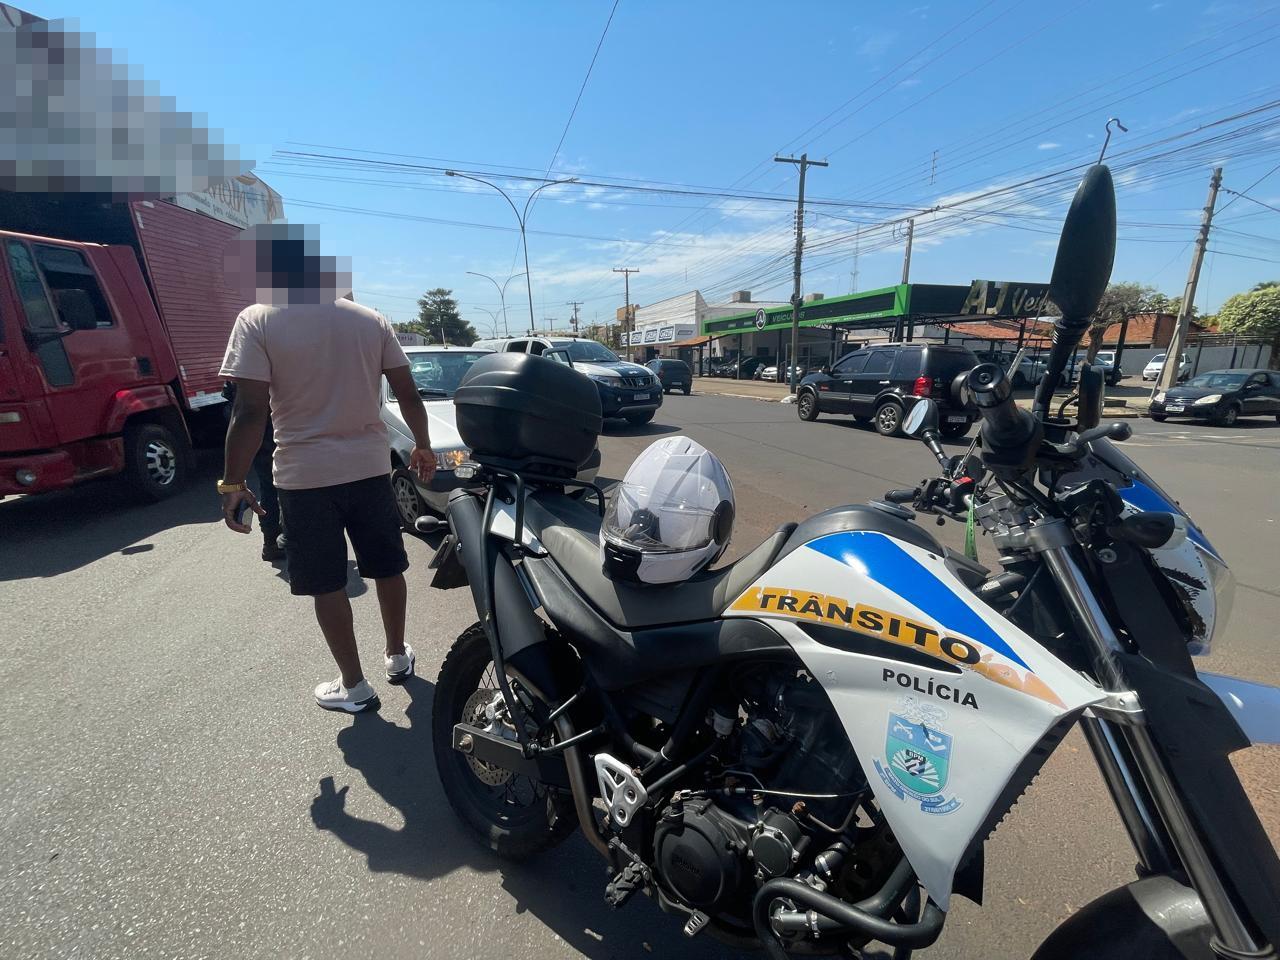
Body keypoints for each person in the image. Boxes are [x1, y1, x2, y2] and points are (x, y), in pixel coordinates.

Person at [217, 226, 436, 713]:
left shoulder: (257, 320)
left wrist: (232, 482)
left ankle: (353, 686)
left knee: (328, 582)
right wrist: (422, 445)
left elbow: (249, 411)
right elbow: (407, 392)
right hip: (369, 469)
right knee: (388, 566)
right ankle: (397, 656)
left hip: (304, 478)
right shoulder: (371, 320)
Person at [221, 379, 284, 562]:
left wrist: (232, 484)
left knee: (268, 481)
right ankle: (283, 539)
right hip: (272, 419)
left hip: (253, 420)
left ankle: (271, 541)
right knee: (282, 481)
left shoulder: (244, 365)